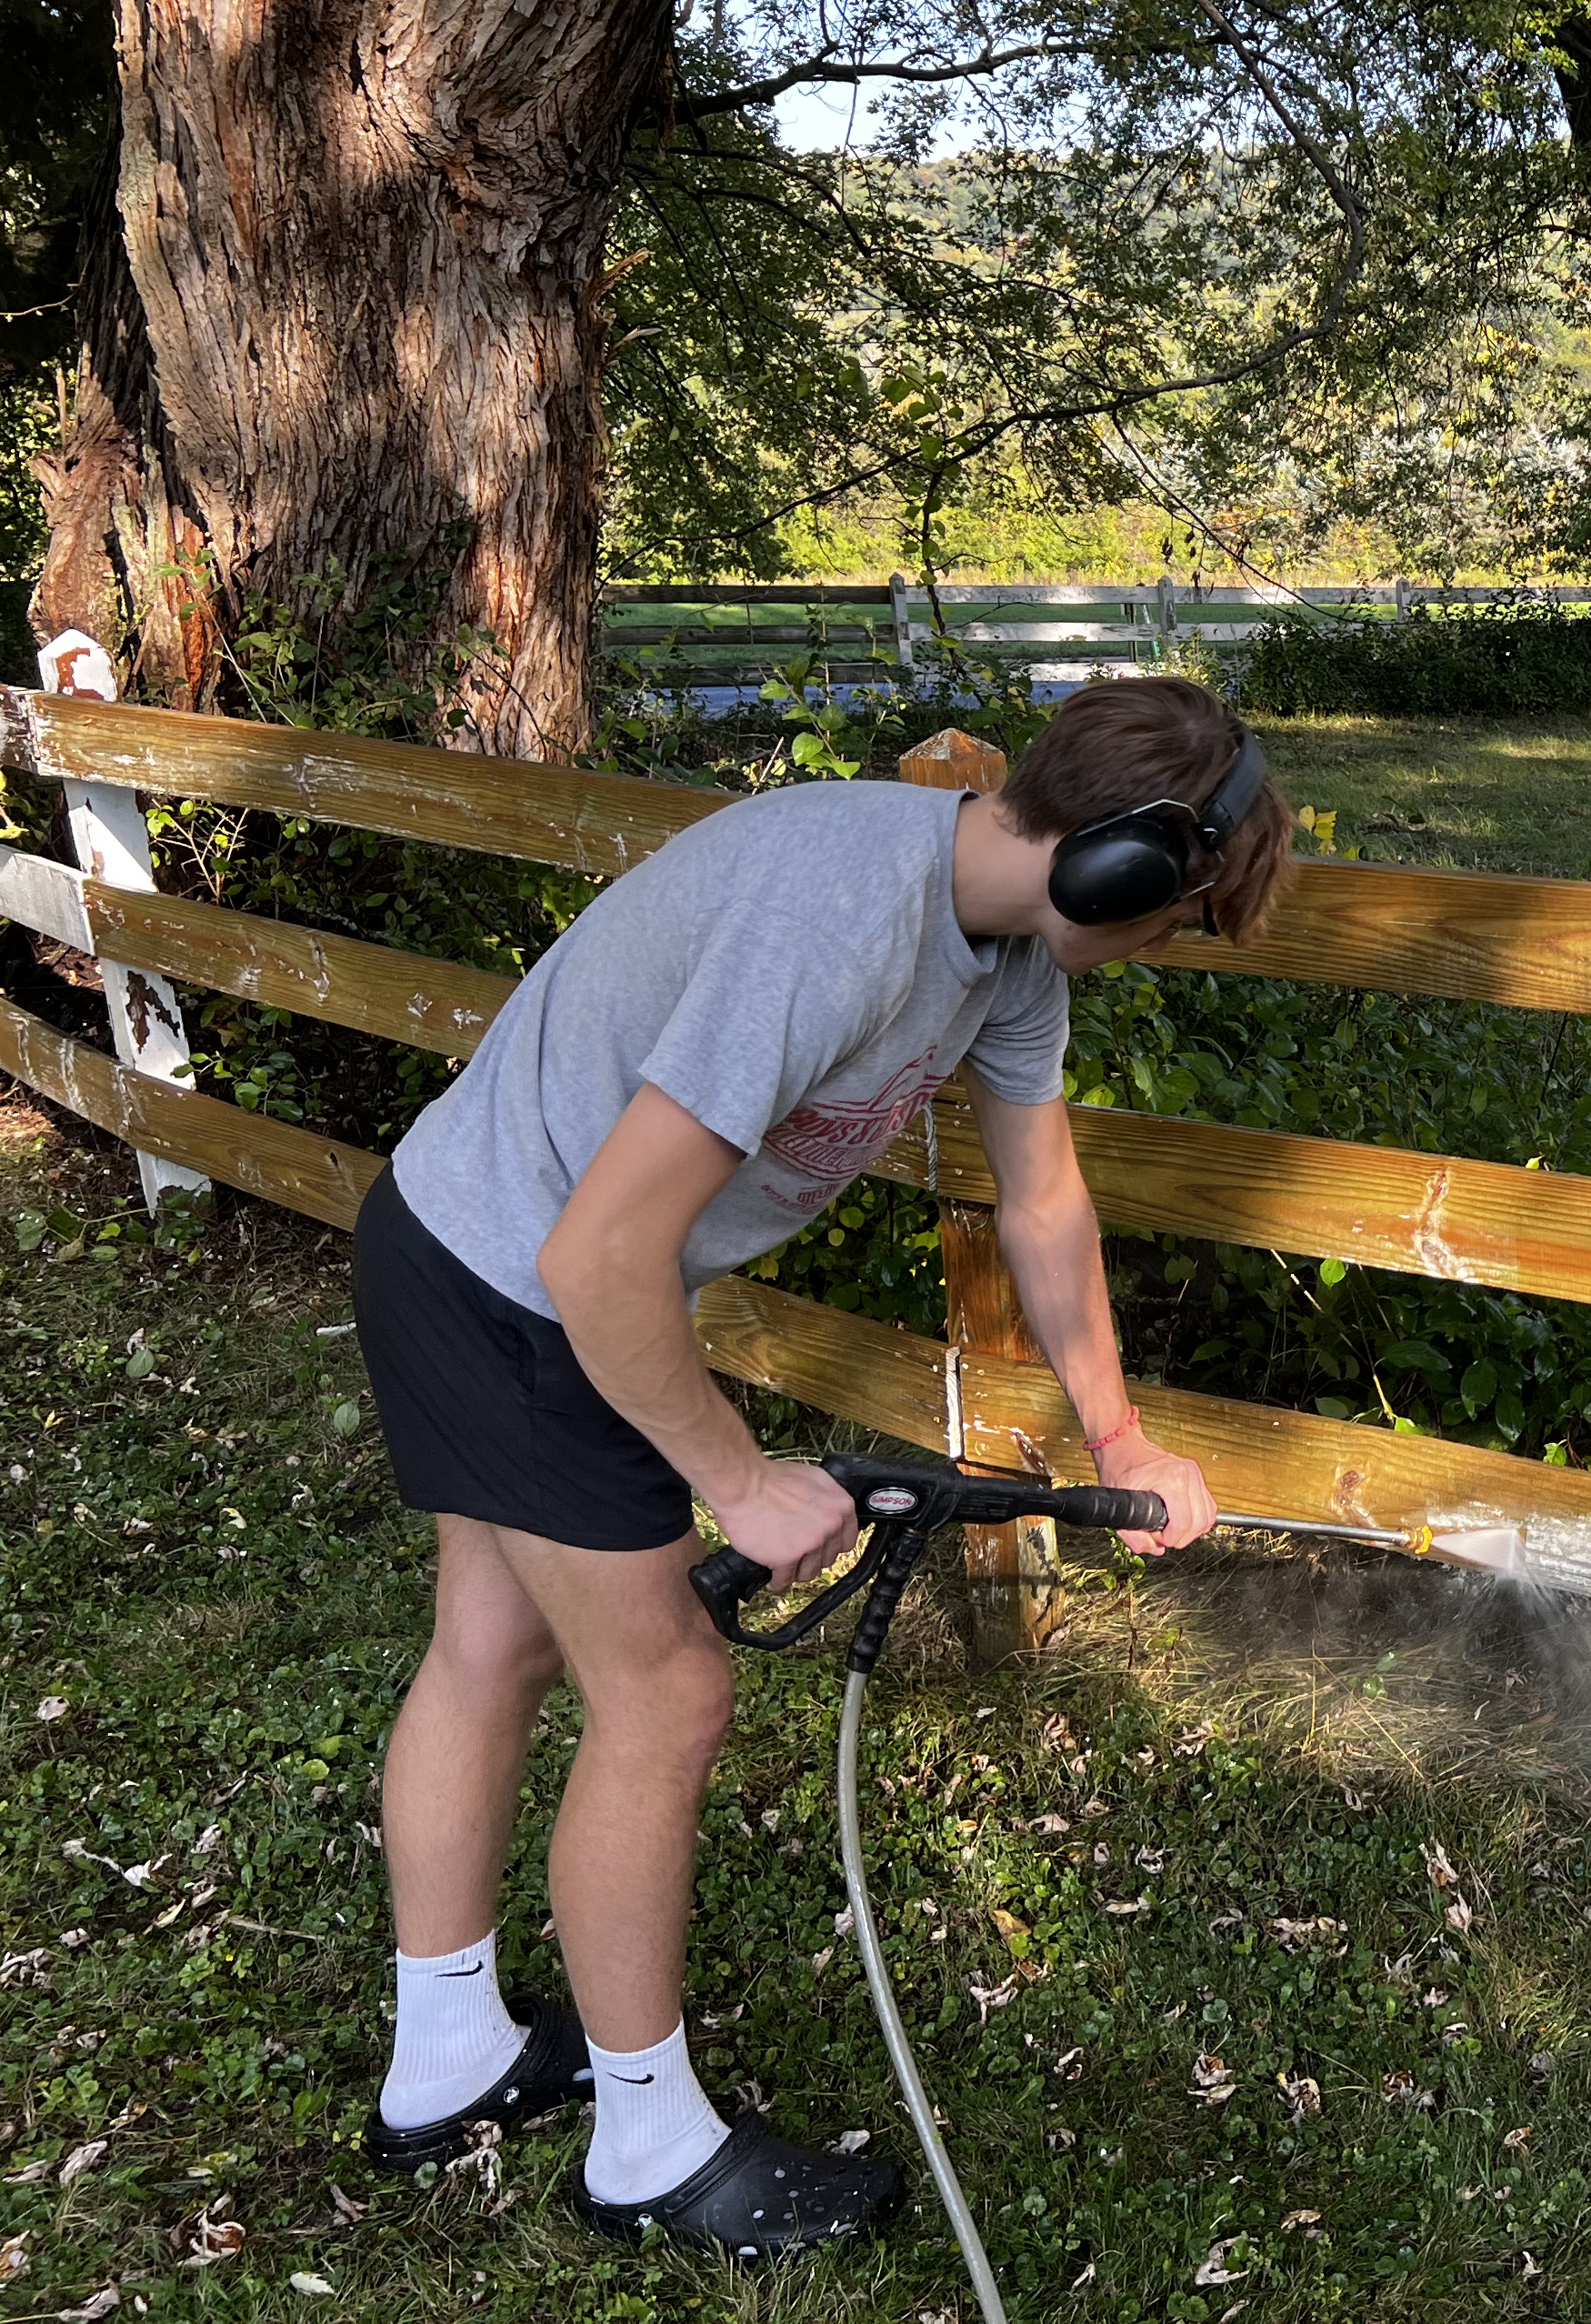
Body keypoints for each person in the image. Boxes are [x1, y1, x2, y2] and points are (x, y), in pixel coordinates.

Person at [350, 677, 1276, 2255]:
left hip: (490, 1253)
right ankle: (647, 2146)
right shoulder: (837, 912)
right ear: (1117, 867)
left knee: (494, 1642)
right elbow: (601, 1259)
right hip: (511, 1283)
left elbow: (1043, 1205)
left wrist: (1117, 1435)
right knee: (670, 1694)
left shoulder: (1004, 957)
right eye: (1178, 915)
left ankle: (448, 2062)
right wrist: (738, 1477)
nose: (1167, 944)